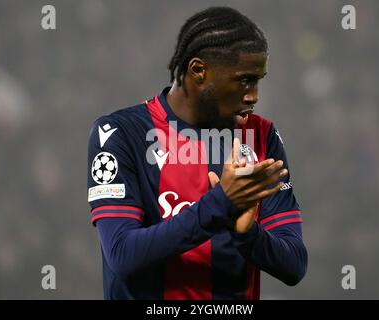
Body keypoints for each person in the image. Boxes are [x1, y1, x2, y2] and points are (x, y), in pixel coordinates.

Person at [87, 6, 307, 300]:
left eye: (258, 80)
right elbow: (122, 253)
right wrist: (221, 205)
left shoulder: (260, 136)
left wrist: (247, 235)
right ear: (199, 71)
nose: (254, 95)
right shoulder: (120, 133)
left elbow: (294, 264)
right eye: (244, 80)